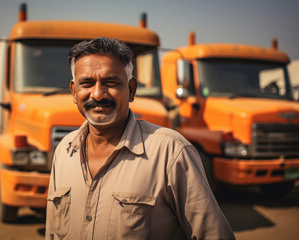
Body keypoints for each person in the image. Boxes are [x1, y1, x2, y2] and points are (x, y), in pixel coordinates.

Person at [45, 37, 235, 240]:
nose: (98, 94)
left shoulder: (170, 152)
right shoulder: (65, 151)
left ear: (131, 89)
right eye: (87, 83)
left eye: (110, 82)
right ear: (74, 91)